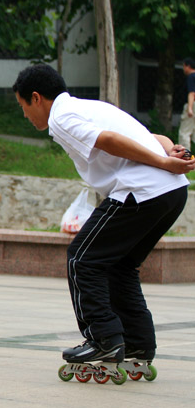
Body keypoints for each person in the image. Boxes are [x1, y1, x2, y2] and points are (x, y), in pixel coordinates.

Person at [13, 63, 195, 371]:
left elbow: (108, 140)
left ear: (36, 97)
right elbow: (152, 135)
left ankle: (104, 340)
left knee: (81, 259)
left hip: (142, 190)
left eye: (23, 107)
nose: (25, 116)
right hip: (171, 192)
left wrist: (163, 164)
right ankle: (138, 343)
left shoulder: (62, 116)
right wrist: (167, 151)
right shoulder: (88, 107)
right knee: (121, 266)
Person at [178, 57, 195, 150]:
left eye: (184, 66)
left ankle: (185, 157)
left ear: (188, 66)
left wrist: (190, 108)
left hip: (193, 104)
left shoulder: (191, 77)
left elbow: (192, 93)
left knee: (184, 132)